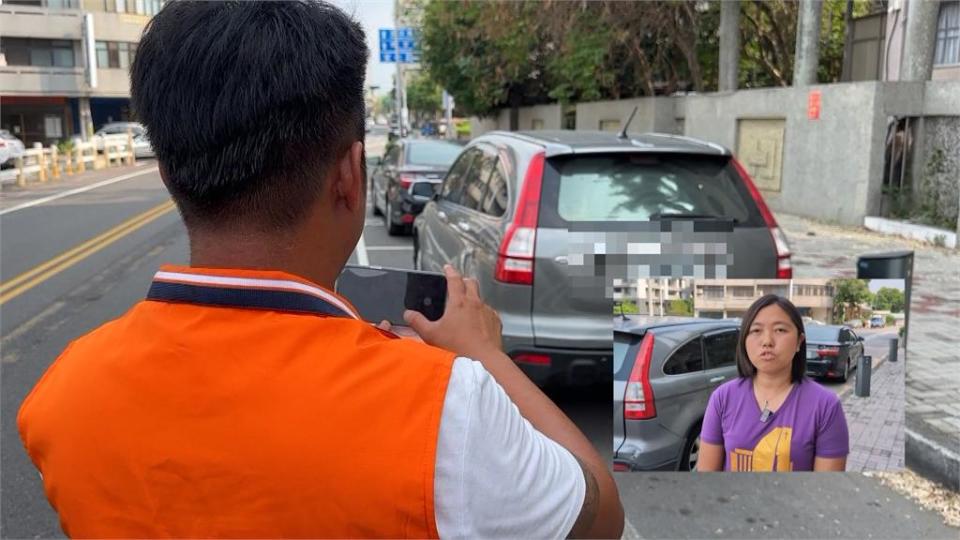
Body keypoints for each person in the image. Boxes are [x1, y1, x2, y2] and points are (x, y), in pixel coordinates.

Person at [16, 2, 623, 538]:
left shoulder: (61, 397)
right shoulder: (444, 410)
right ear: (348, 175)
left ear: (168, 174)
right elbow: (598, 515)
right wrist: (485, 356)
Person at [696, 295, 849, 472]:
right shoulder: (722, 398)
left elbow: (825, 492)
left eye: (780, 330)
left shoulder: (825, 406)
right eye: (756, 331)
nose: (767, 341)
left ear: (799, 341)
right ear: (744, 340)